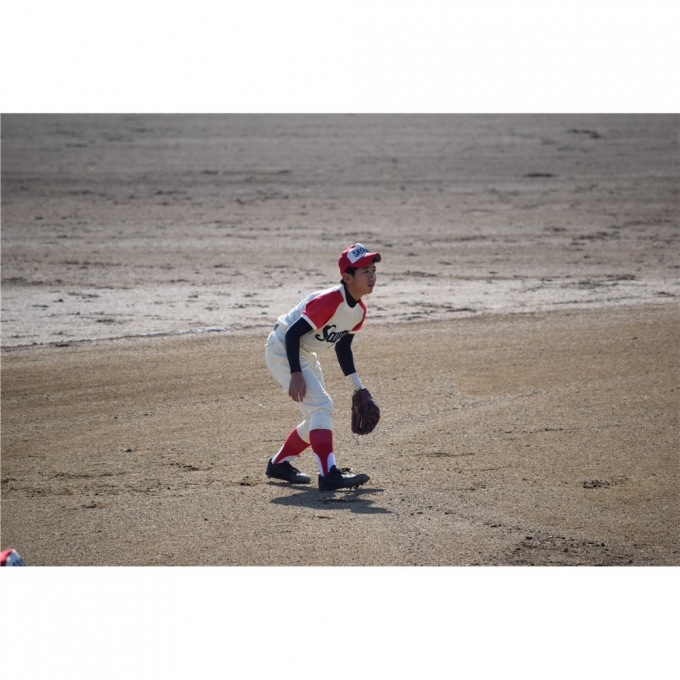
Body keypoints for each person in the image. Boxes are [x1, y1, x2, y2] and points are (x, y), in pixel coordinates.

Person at [265, 243, 381, 490]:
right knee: (322, 407)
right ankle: (329, 475)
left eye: (373, 270)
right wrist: (296, 373)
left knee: (316, 414)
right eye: (365, 271)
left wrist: (358, 386)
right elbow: (292, 334)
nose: (372, 276)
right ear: (347, 278)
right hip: (283, 348)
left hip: (305, 353)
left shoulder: (359, 311)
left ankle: (278, 465)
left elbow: (343, 347)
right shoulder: (329, 301)